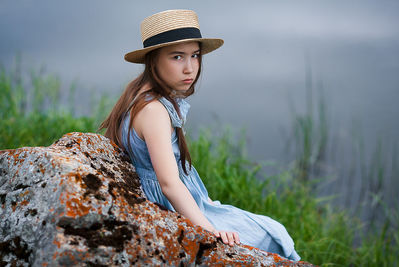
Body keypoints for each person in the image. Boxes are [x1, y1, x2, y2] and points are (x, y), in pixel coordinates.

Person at [100, 9, 300, 261]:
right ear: (153, 60)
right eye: (177, 57)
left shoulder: (142, 94)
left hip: (188, 199)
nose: (189, 68)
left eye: (194, 56)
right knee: (271, 236)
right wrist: (209, 229)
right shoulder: (153, 110)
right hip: (171, 205)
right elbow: (169, 184)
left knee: (270, 227)